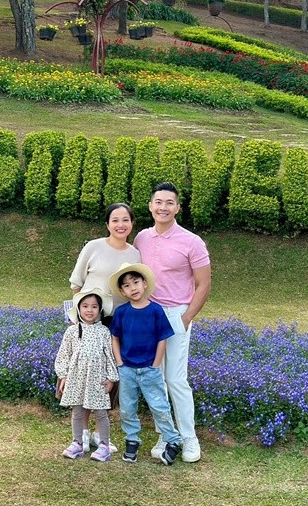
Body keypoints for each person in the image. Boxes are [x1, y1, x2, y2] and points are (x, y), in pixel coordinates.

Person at [133, 182, 212, 463]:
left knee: (176, 379)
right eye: (158, 202)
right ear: (150, 205)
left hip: (175, 313)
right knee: (155, 379)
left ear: (178, 207)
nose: (163, 207)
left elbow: (204, 284)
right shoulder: (141, 238)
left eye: (169, 203)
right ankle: (166, 435)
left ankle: (189, 437)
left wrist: (187, 317)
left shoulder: (192, 241)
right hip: (147, 315)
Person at [67, 203, 140, 451]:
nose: (120, 225)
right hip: (90, 318)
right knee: (83, 374)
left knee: (108, 378)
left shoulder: (134, 254)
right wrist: (81, 315)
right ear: (107, 224)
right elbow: (76, 283)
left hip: (117, 322)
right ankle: (83, 434)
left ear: (132, 223)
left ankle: (101, 433)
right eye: (115, 220)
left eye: (125, 220)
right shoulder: (93, 247)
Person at [109, 262, 184, 465]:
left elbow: (163, 337)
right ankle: (132, 440)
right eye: (126, 285)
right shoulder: (122, 312)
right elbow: (114, 337)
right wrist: (120, 362)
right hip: (127, 369)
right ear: (122, 291)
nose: (132, 288)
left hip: (150, 369)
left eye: (135, 282)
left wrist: (156, 363)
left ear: (144, 283)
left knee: (159, 406)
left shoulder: (155, 310)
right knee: (127, 408)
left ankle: (173, 440)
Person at [54, 287, 119, 462]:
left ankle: (104, 445)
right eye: (85, 306)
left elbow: (109, 356)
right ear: (78, 309)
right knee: (77, 411)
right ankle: (77, 443)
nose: (89, 310)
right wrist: (63, 376)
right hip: (76, 378)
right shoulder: (72, 332)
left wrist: (111, 378)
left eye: (94, 307)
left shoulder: (104, 332)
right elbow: (63, 354)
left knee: (100, 412)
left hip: (97, 379)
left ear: (100, 310)